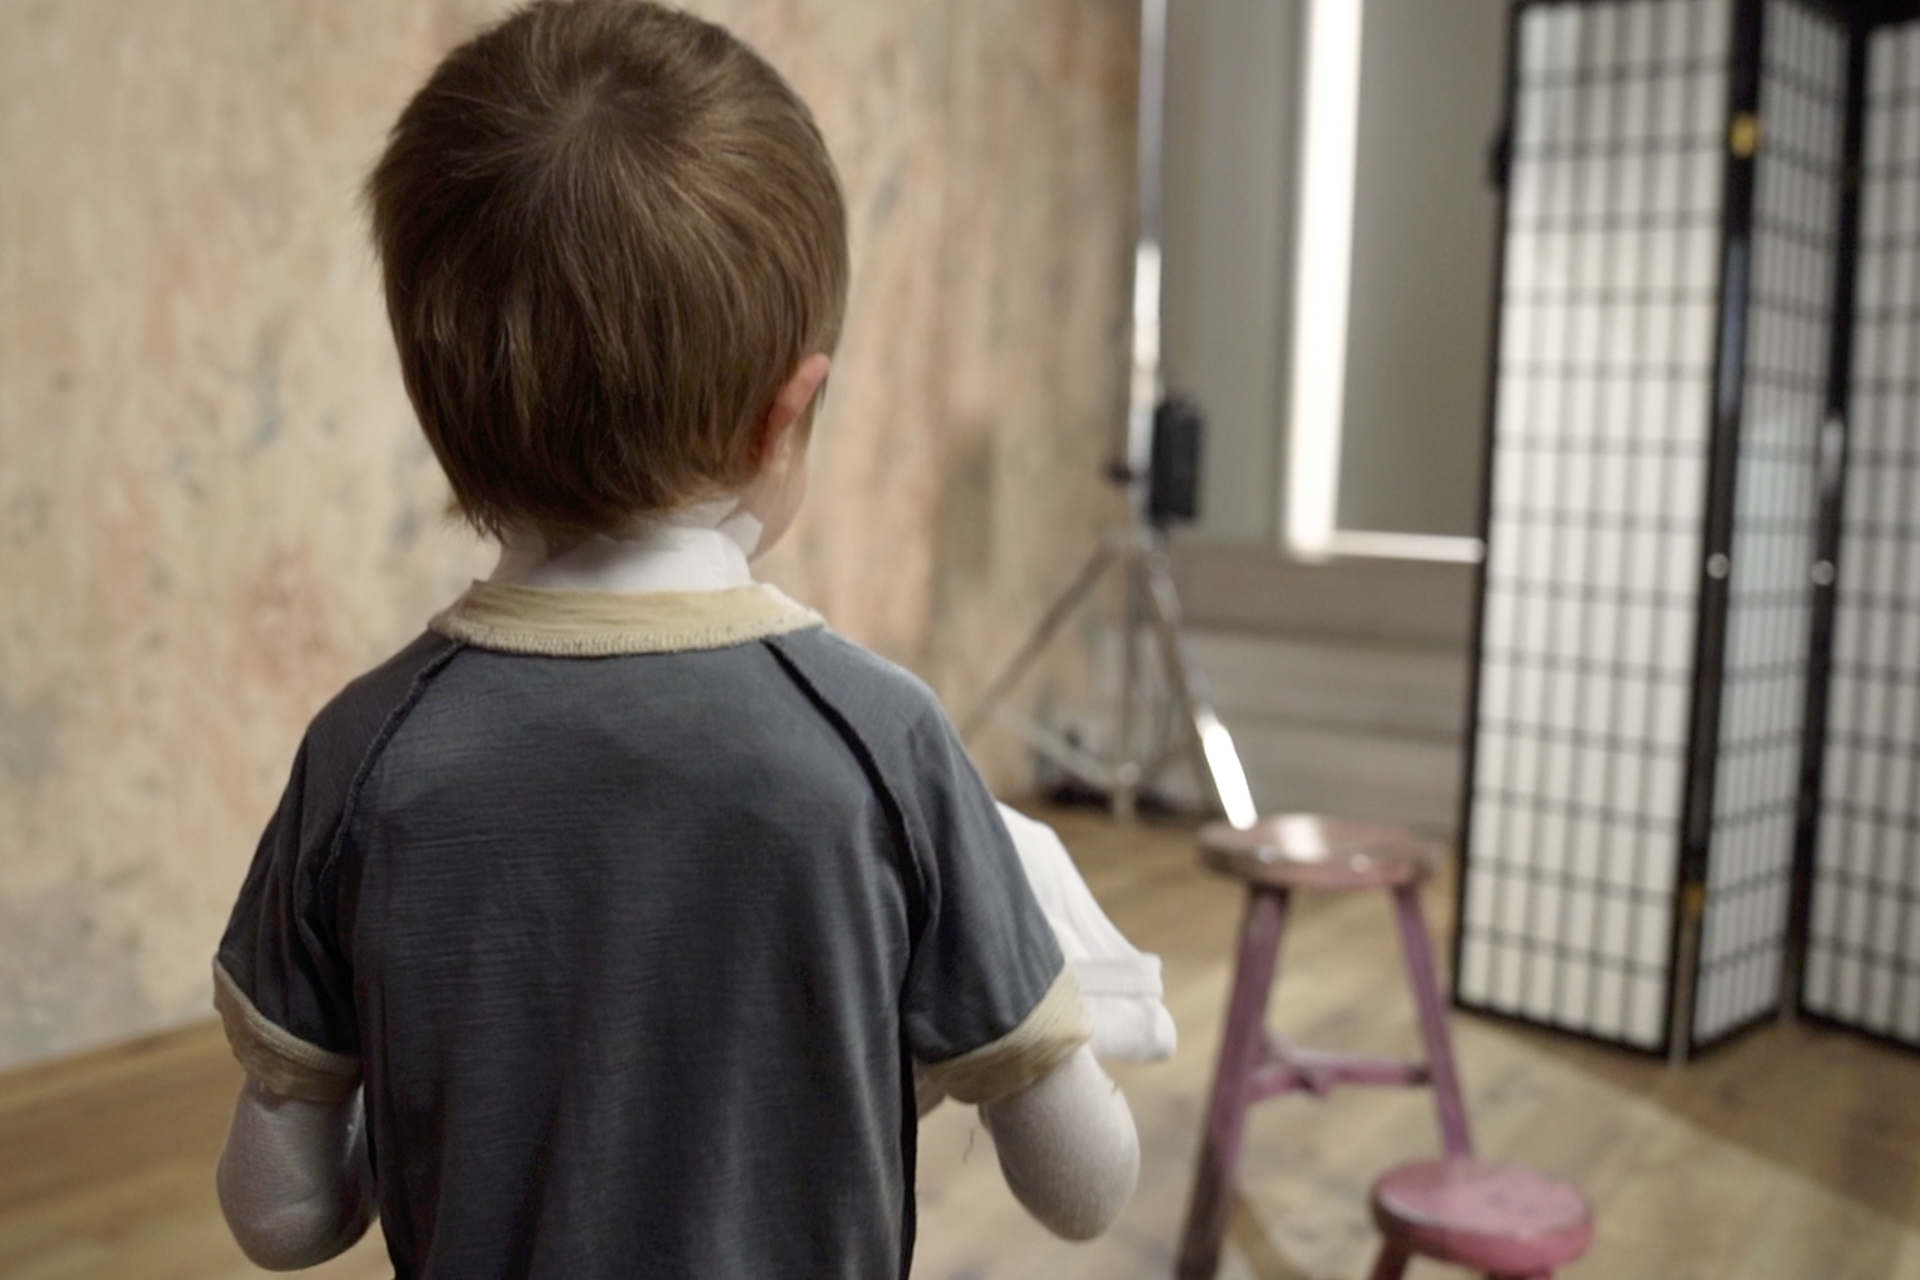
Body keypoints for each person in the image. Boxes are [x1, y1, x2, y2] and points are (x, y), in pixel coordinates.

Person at [209, 3, 1139, 1277]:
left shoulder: (363, 754)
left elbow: (281, 1218)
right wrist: (1027, 935)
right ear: (786, 411)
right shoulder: (885, 747)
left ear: (434, 402)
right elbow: (1086, 1186)